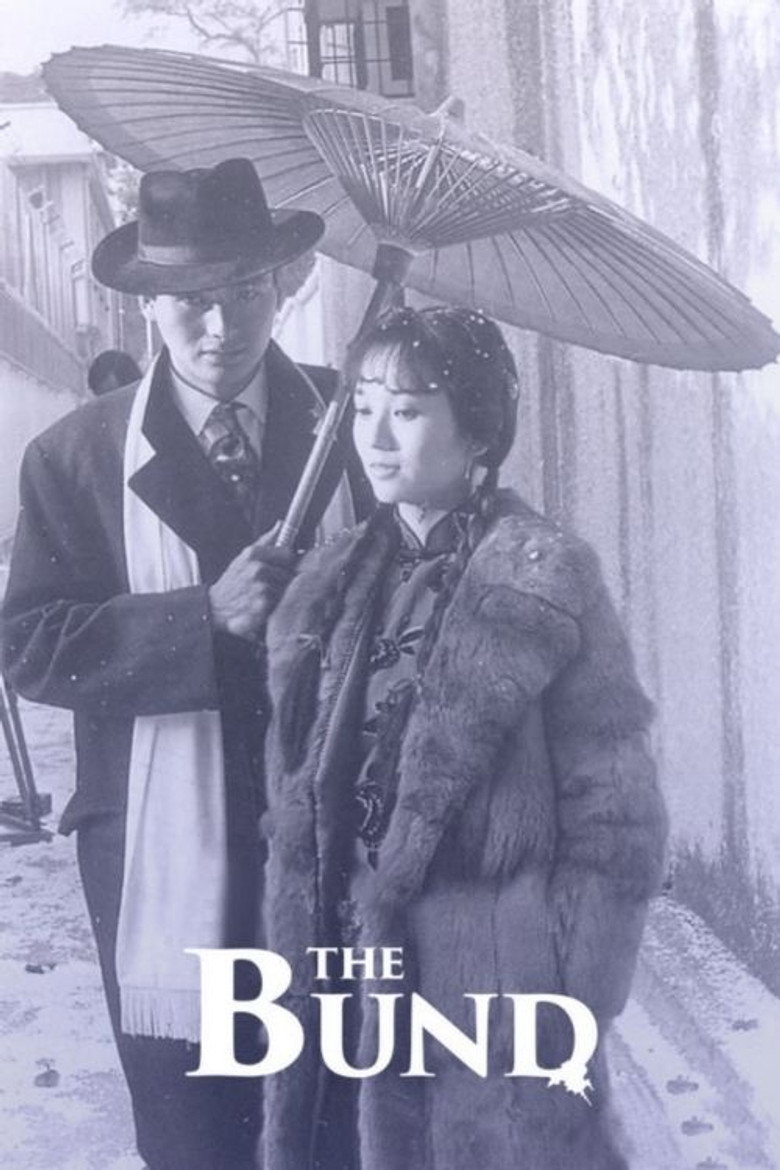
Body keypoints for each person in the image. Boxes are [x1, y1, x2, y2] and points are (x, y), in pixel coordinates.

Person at [1, 158, 368, 1170]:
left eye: (243, 292)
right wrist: (200, 621)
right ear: (148, 304)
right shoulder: (78, 457)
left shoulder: (353, 424)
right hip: (158, 849)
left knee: (339, 1119)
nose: (220, 327)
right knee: (197, 1133)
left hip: (332, 829)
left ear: (282, 286)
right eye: (191, 301)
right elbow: (30, 642)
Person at [261, 306, 669, 1170]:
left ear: (478, 430)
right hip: (342, 975)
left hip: (488, 999)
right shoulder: (331, 580)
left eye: (408, 410)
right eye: (363, 405)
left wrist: (570, 995)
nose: (375, 436)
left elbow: (617, 816)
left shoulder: (543, 580)